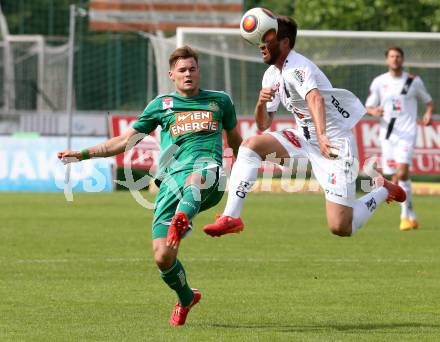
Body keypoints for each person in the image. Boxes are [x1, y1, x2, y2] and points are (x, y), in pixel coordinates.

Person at [57, 46, 242, 326]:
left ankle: (182, 220)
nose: (188, 74)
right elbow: (122, 142)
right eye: (182, 70)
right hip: (170, 182)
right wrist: (82, 154)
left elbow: (236, 139)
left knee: (197, 177)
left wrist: (244, 167)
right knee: (162, 257)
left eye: (192, 68)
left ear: (199, 71)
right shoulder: (161, 105)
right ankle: (186, 297)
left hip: (208, 173)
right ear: (172, 75)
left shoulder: (220, 101)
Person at [203, 15, 406, 238]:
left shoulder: (298, 67)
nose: (261, 45)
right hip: (303, 140)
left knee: (341, 226)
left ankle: (382, 190)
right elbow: (263, 124)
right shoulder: (272, 74)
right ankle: (231, 216)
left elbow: (315, 98)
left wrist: (321, 137)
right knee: (252, 145)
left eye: (268, 38)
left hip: (333, 143)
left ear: (285, 43)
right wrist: (261, 102)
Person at [366, 46, 433, 231]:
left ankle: (404, 216)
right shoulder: (379, 82)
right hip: (387, 135)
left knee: (402, 172)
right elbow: (369, 106)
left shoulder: (413, 81)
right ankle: (411, 214)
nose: (395, 59)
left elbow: (428, 102)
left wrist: (428, 114)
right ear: (387, 60)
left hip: (407, 132)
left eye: (398, 56)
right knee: (396, 175)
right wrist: (374, 111)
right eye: (392, 56)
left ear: (402, 60)